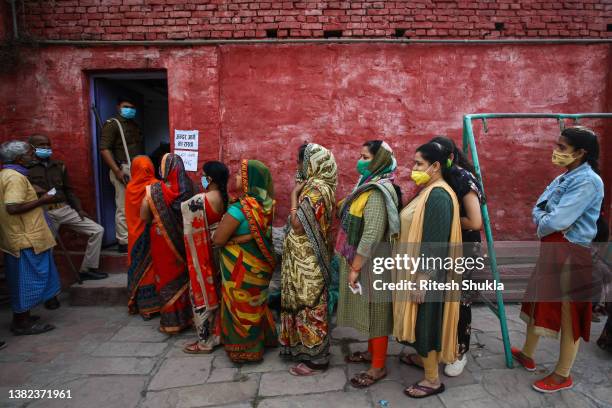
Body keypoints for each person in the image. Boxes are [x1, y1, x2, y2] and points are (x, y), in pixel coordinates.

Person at [512, 126, 604, 393]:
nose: (556, 151)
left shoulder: (587, 181)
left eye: (562, 147)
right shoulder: (567, 176)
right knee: (539, 301)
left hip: (571, 252)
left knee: (567, 314)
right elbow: (540, 208)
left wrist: (546, 220)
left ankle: (563, 373)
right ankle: (527, 353)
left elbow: (560, 219)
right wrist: (546, 220)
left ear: (581, 152)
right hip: (554, 246)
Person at [404, 135, 482, 377]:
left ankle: (459, 352)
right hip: (442, 244)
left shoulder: (461, 178)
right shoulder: (437, 177)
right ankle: (432, 350)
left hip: (464, 246)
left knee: (459, 301)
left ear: (447, 158)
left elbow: (476, 221)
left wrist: (442, 221)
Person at [393, 141, 463, 399]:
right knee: (423, 320)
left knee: (427, 323)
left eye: (419, 164)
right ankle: (425, 362)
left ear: (435, 166)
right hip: (422, 271)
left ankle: (432, 380)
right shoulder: (429, 189)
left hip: (429, 275)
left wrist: (421, 278)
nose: (414, 168)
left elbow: (435, 242)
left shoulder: (438, 195)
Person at [337, 140, 401, 388]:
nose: (359, 160)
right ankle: (372, 353)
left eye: (364, 156)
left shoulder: (376, 191)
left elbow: (372, 233)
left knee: (378, 313)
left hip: (374, 263)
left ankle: (378, 366)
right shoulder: (367, 185)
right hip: (371, 261)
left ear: (377, 161)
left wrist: (355, 268)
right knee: (373, 312)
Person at [279, 143, 338, 375]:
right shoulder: (321, 187)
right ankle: (304, 349)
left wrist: (294, 196)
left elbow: (298, 225)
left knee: (310, 306)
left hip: (308, 262)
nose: (297, 166)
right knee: (305, 305)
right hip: (304, 259)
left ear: (311, 163)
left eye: (300, 161)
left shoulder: (316, 191)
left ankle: (317, 358)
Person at [213, 159, 277, 363]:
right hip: (259, 267)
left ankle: (243, 350)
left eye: (241, 175)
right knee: (256, 303)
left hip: (240, 269)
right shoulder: (267, 204)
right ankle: (260, 341)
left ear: (251, 180)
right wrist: (244, 237)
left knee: (241, 306)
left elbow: (218, 240)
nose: (237, 178)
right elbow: (259, 233)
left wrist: (236, 239)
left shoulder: (240, 208)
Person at [27, 134, 107, 281]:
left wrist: (79, 209)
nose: (46, 148)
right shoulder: (26, 170)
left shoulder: (59, 166)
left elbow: (69, 190)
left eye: (48, 145)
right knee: (46, 248)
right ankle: (48, 286)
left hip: (64, 209)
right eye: (41, 145)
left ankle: (87, 269)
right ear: (31, 148)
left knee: (97, 230)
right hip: (43, 212)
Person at [0, 141, 60, 335]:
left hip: (21, 237)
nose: (33, 155)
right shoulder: (15, 177)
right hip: (25, 239)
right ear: (18, 158)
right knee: (26, 281)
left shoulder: (9, 174)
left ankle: (22, 317)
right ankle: (21, 322)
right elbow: (13, 207)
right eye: (29, 153)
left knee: (24, 280)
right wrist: (42, 200)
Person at [140, 153, 194, 333]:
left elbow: (144, 217)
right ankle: (189, 318)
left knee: (165, 277)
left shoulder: (154, 191)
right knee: (184, 275)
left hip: (162, 240)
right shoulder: (190, 187)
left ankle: (171, 323)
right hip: (185, 239)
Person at [181, 161, 230, 354]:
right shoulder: (226, 198)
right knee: (218, 289)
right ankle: (219, 333)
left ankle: (205, 341)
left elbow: (184, 214)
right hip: (219, 251)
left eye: (203, 175)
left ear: (209, 178)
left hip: (203, 252)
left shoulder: (198, 201)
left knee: (201, 289)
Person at [100, 96, 144, 253]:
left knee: (137, 205)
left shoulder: (134, 125)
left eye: (132, 107)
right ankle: (123, 241)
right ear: (118, 107)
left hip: (137, 168)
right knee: (123, 205)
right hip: (123, 168)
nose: (130, 109)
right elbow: (105, 149)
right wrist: (117, 170)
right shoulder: (113, 125)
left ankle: (136, 237)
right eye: (126, 106)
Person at [126, 156, 160, 319]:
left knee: (138, 266)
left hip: (134, 234)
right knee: (150, 269)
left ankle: (141, 305)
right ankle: (153, 305)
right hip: (149, 234)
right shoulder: (154, 186)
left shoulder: (130, 188)